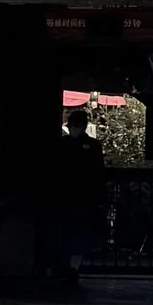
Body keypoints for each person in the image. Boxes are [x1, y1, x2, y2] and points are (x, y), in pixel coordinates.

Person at [51, 105, 104, 287]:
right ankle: (71, 267)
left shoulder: (61, 145)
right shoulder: (93, 147)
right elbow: (98, 173)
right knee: (78, 234)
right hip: (81, 198)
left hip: (69, 198)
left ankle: (66, 267)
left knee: (69, 233)